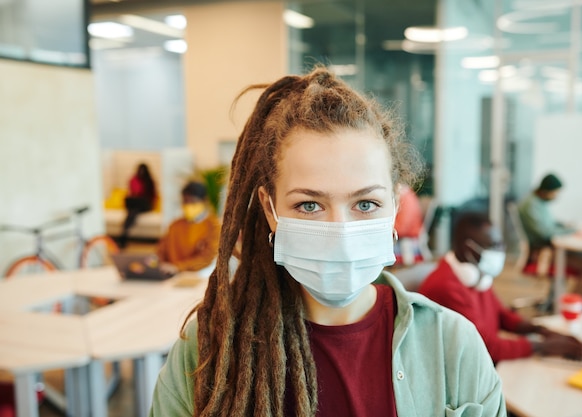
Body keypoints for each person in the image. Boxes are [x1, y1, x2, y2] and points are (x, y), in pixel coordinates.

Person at [149, 67, 506, 416]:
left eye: (366, 204)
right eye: (309, 205)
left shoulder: (454, 346)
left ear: (395, 207)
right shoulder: (209, 347)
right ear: (270, 209)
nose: (341, 234)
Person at [419, 211, 582, 364]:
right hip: (462, 368)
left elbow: (501, 315)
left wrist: (540, 330)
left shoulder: (476, 275)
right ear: (468, 248)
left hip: (479, 361)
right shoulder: (447, 286)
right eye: (494, 246)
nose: (501, 252)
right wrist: (540, 347)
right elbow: (485, 347)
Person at [518, 173, 582, 309]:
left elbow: (550, 225)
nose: (556, 196)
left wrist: (567, 227)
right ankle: (573, 306)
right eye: (555, 193)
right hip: (543, 254)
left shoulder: (539, 203)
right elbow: (546, 234)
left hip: (550, 249)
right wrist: (574, 232)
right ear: (547, 190)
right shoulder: (531, 206)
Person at [156, 181, 221, 278]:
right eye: (185, 201)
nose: (188, 205)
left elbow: (206, 258)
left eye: (193, 201)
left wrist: (178, 267)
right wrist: (156, 264)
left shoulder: (214, 226)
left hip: (197, 276)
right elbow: (161, 251)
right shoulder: (175, 225)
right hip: (170, 275)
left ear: (204, 201)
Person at [119, 162, 157, 248]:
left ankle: (124, 234)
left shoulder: (149, 181)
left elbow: (152, 196)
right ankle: (124, 234)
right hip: (136, 204)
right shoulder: (134, 179)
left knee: (133, 212)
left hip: (146, 205)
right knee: (133, 211)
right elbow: (133, 192)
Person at [393, 182, 424, 266]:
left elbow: (402, 229)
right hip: (401, 240)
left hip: (406, 244)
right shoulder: (404, 196)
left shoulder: (406, 199)